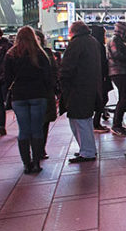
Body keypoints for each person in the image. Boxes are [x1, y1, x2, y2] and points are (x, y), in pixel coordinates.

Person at [5, 27, 53, 174]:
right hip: (38, 94)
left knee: (24, 130)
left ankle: (26, 164)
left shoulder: (11, 54)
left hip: (19, 96)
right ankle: (37, 162)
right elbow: (48, 76)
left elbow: (6, 78)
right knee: (37, 129)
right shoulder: (40, 54)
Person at [59, 21, 101, 163]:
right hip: (89, 86)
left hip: (77, 87)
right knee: (85, 120)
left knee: (79, 121)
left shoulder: (76, 43)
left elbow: (67, 67)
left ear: (74, 31)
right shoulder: (92, 41)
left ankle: (87, 151)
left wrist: (62, 83)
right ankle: (87, 149)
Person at [107, 21, 126, 136]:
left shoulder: (118, 40)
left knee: (124, 97)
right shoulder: (115, 40)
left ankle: (117, 124)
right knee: (125, 98)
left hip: (120, 72)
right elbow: (117, 55)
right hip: (118, 72)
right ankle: (116, 125)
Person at [35, 29, 58, 160]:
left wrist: (53, 86)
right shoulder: (20, 53)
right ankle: (33, 152)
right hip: (30, 93)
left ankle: (40, 149)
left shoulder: (47, 53)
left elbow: (54, 71)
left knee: (44, 122)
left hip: (44, 92)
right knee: (32, 123)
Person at [89, 25, 113, 133]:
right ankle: (96, 123)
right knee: (102, 99)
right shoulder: (98, 46)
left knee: (101, 99)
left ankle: (96, 122)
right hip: (101, 77)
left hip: (97, 77)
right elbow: (102, 62)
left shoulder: (93, 44)